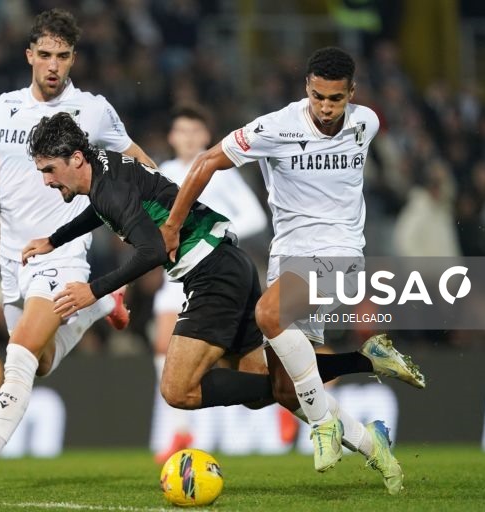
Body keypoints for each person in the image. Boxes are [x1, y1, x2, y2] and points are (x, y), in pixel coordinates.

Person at [23, 112, 424, 495]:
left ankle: (324, 391)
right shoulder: (106, 168)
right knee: (282, 388)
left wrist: (93, 290)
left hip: (212, 275)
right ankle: (368, 383)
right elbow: (103, 209)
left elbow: (151, 251)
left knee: (178, 390)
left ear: (76, 158)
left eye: (48, 170)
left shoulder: (109, 188)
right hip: (231, 265)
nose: (45, 181)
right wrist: (55, 240)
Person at [160, 47, 421, 494]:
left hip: (341, 255)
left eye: (336, 99)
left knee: (268, 314)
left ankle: (323, 426)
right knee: (285, 389)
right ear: (307, 88)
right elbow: (205, 162)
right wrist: (172, 223)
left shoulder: (367, 122)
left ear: (352, 95)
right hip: (289, 261)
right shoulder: (275, 127)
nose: (326, 107)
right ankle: (373, 437)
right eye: (319, 96)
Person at [0, 9, 155, 494]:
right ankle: (103, 302)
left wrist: (168, 201)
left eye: (62, 56)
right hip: (11, 258)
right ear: (29, 56)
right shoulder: (5, 107)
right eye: (45, 55)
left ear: (73, 58)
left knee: (18, 352)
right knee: (39, 361)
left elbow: (137, 160)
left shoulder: (94, 109)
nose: (54, 65)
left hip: (60, 253)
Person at [150, 105, 268, 463]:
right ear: (171, 137)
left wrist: (216, 236)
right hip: (174, 276)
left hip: (213, 274)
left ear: (205, 137)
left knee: (237, 364)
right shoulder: (163, 173)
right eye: (180, 131)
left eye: (194, 132)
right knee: (162, 348)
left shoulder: (221, 174)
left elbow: (255, 216)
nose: (187, 138)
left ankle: (282, 398)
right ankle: (179, 432)